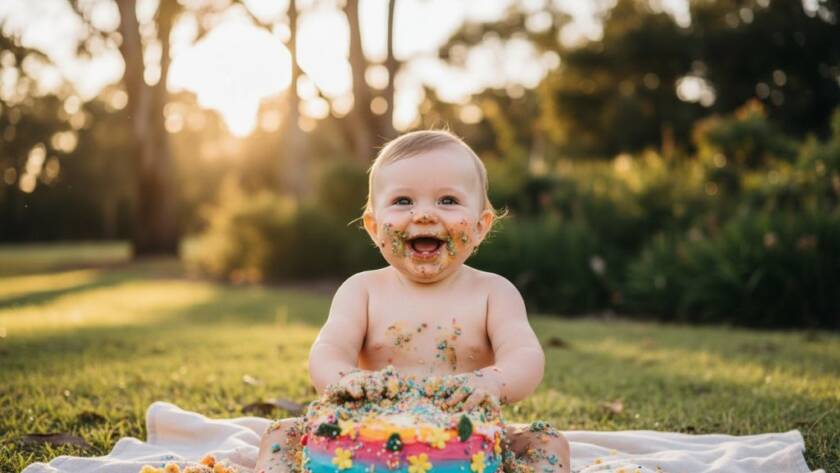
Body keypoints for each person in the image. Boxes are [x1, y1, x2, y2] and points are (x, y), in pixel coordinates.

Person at [255, 130, 570, 473]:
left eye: (447, 200)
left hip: (464, 437)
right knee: (281, 433)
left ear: (481, 226)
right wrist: (342, 379)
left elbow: (525, 355)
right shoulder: (362, 290)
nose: (423, 215)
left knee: (547, 442)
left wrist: (492, 381)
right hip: (367, 435)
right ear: (374, 227)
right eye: (403, 201)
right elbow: (329, 348)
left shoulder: (494, 293)